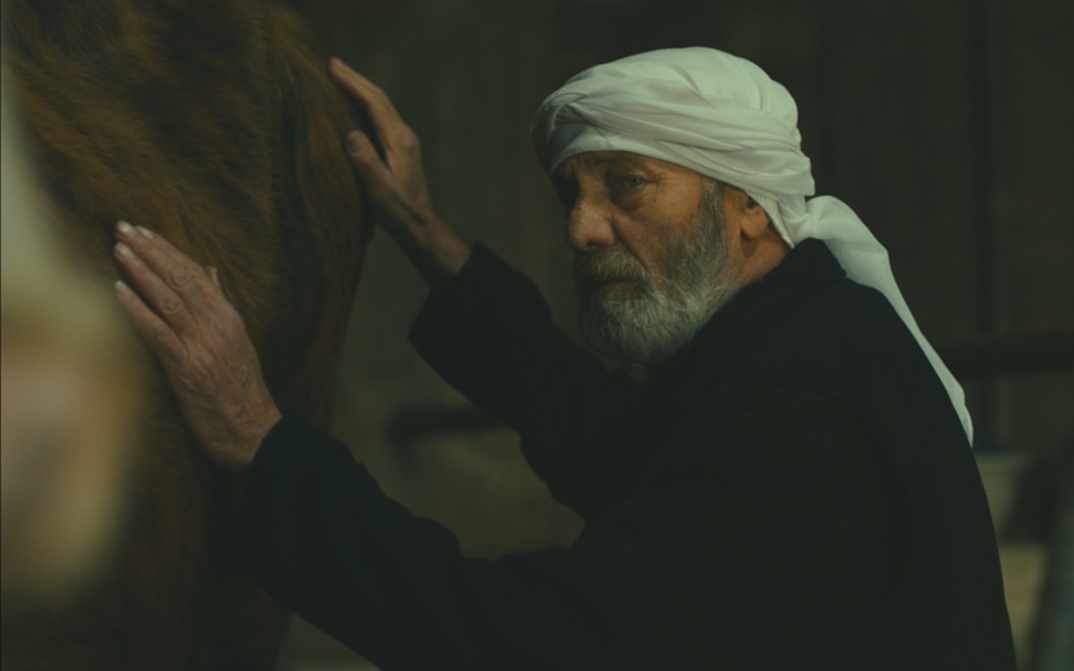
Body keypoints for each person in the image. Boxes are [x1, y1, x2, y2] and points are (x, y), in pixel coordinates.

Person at [110, 48, 1016, 670]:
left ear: (747, 204)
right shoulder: (794, 327)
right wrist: (424, 233)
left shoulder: (808, 408)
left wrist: (259, 439)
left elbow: (540, 644)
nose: (582, 227)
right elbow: (616, 443)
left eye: (628, 185)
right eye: (571, 194)